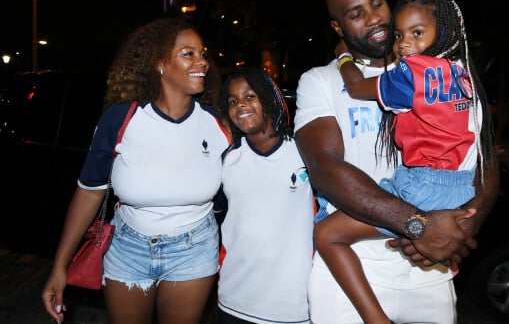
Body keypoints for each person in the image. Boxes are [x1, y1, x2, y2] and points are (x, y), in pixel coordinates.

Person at [294, 0, 499, 323]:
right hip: (352, 273)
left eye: (377, 3)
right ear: (338, 27)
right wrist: (418, 225)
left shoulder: (433, 67)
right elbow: (326, 170)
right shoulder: (319, 82)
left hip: (429, 270)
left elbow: (486, 158)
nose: (374, 17)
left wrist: (464, 226)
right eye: (356, 13)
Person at [41, 16, 232, 324]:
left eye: (203, 52)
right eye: (188, 53)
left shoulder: (217, 123)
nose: (203, 62)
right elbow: (89, 192)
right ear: (159, 64)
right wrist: (60, 266)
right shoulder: (121, 118)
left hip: (194, 248)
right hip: (128, 247)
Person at [214, 68, 314, 323]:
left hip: (293, 304)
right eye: (233, 101)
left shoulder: (305, 150)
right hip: (235, 299)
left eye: (250, 96)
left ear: (269, 99)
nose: (241, 106)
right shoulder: (227, 159)